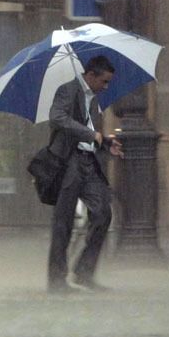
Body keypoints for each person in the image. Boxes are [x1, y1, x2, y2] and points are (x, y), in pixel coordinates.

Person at [45, 55, 124, 294]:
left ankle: (84, 272)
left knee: (102, 214)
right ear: (91, 76)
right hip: (70, 163)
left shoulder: (93, 100)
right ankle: (57, 281)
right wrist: (92, 136)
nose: (106, 86)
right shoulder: (68, 91)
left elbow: (91, 133)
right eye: (104, 81)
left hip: (89, 163)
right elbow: (57, 118)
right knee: (64, 223)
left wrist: (105, 142)